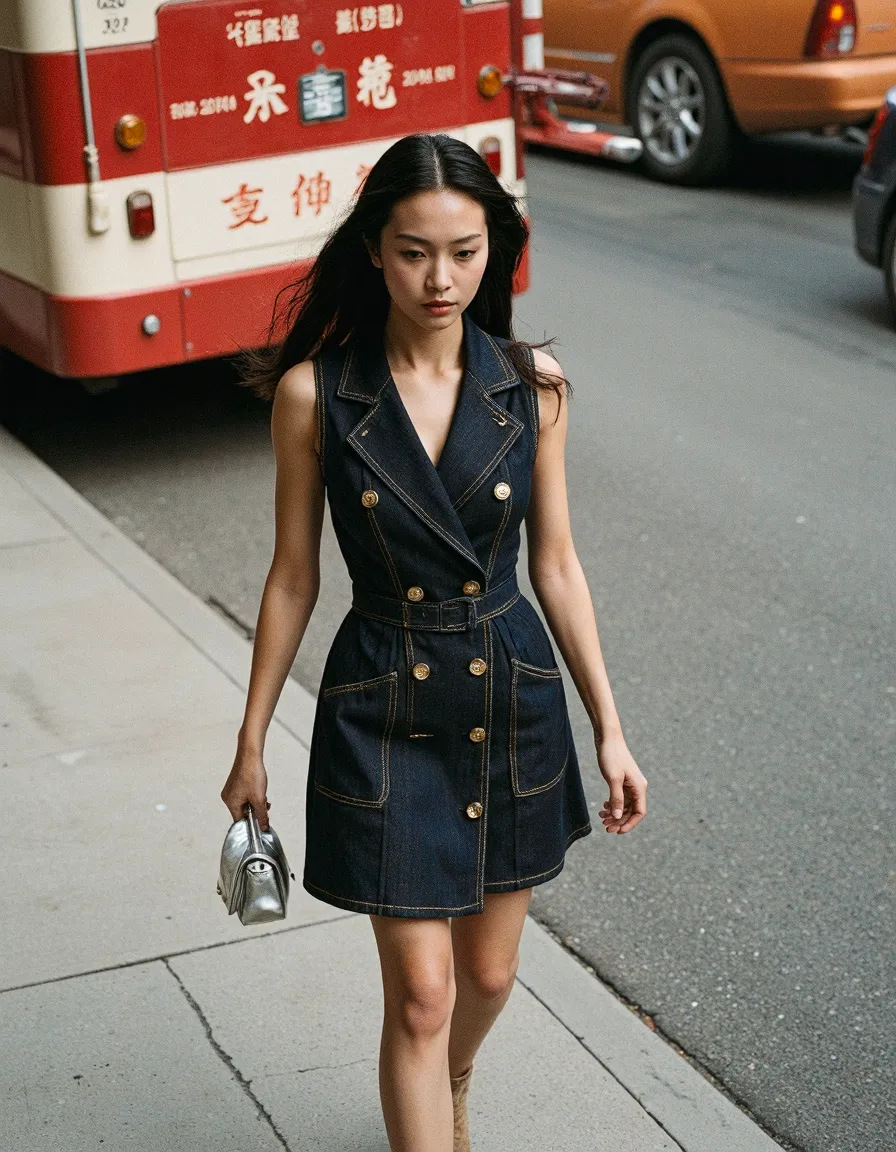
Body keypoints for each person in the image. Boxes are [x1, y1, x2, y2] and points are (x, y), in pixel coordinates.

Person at [221, 132, 647, 1152]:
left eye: (464, 251)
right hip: (385, 704)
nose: (441, 277)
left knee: (487, 977)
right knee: (420, 991)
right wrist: (247, 741)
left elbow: (555, 565)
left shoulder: (529, 383)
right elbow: (292, 574)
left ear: (493, 250)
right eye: (415, 251)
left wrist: (610, 730)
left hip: (509, 697)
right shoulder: (315, 395)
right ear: (374, 249)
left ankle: (451, 1078)